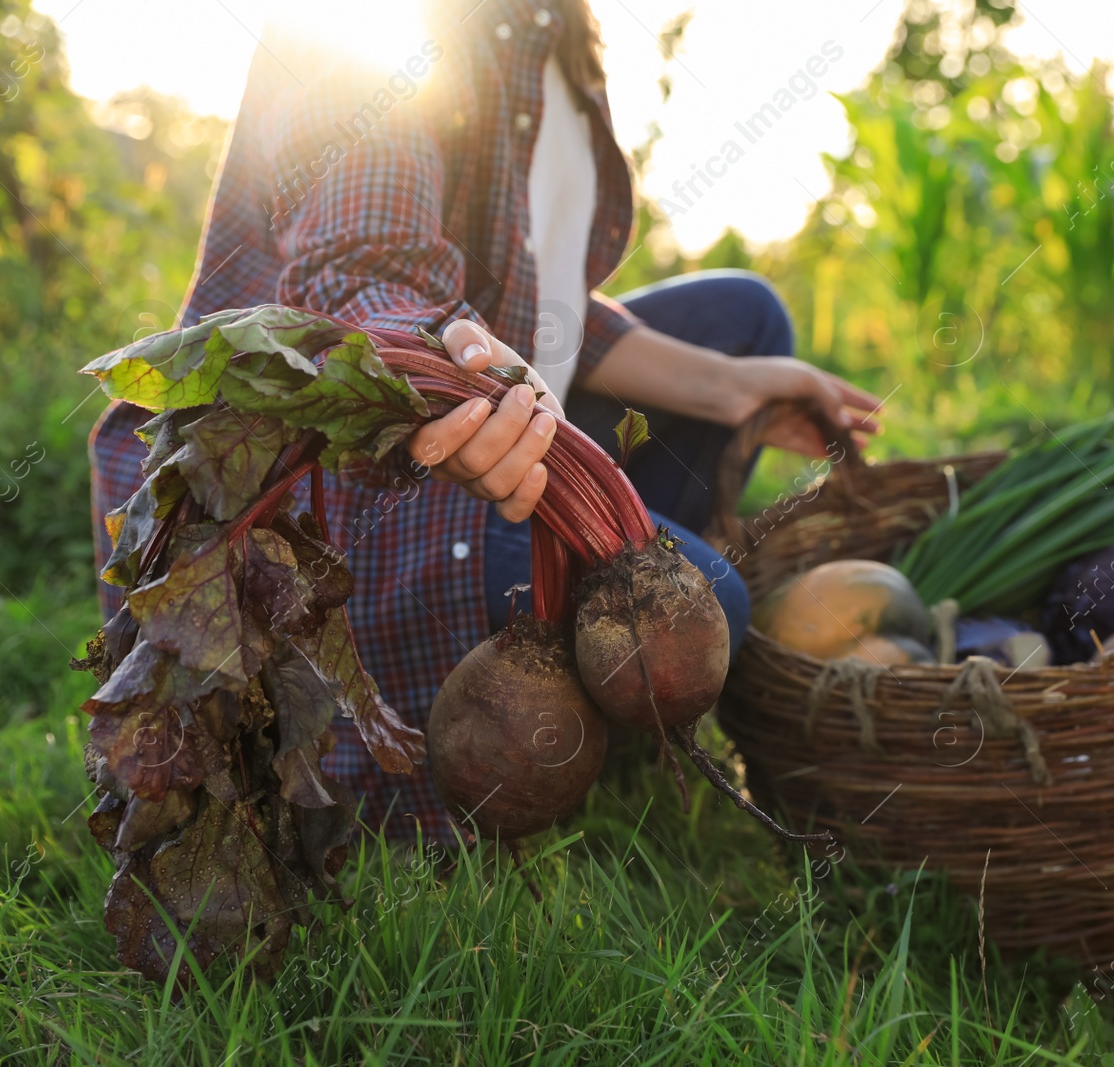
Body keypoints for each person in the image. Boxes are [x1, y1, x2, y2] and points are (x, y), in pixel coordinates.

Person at [88, 0, 880, 844]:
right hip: (351, 480)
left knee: (746, 317)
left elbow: (542, 303)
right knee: (709, 600)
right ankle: (488, 706)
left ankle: (600, 653)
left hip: (491, 403)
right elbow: (366, 263)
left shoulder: (558, 36)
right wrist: (445, 359)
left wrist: (734, 386)